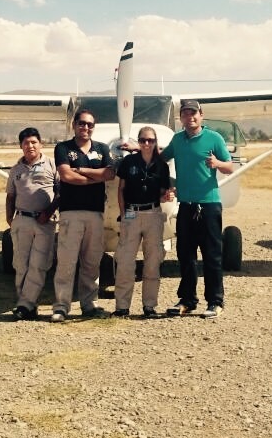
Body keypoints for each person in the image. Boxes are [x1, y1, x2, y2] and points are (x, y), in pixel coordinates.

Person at [162, 99, 234, 319]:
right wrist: (139, 148)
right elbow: (159, 158)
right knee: (186, 255)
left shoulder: (214, 138)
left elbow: (230, 167)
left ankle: (215, 301)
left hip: (209, 205)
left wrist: (217, 164)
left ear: (201, 115)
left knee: (211, 255)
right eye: (185, 113)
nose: (190, 117)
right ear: (181, 117)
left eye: (194, 113)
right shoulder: (177, 140)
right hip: (186, 206)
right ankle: (187, 300)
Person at [52, 109, 115, 322]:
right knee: (66, 261)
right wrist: (95, 178)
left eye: (90, 124)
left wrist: (80, 170)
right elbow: (66, 175)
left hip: (95, 213)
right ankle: (61, 307)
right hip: (71, 212)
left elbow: (109, 173)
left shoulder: (102, 148)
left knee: (92, 261)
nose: (85, 127)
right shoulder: (63, 148)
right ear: (74, 125)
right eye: (81, 123)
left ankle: (89, 304)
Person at [112, 126, 173, 318]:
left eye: (151, 140)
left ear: (155, 143)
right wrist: (123, 214)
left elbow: (163, 194)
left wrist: (167, 196)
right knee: (125, 262)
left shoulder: (162, 166)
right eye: (143, 140)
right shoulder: (128, 161)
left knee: (152, 262)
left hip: (153, 214)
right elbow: (121, 189)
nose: (147, 144)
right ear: (138, 142)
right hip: (131, 214)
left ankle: (149, 306)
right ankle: (122, 307)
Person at [5, 127, 58, 320]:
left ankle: (25, 305)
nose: (30, 146)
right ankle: (26, 304)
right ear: (21, 146)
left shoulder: (52, 165)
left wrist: (48, 212)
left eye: (34, 142)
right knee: (21, 264)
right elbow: (10, 196)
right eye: (26, 143)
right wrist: (10, 218)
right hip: (22, 220)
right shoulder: (15, 170)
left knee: (38, 264)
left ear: (41, 144)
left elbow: (61, 193)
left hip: (44, 221)